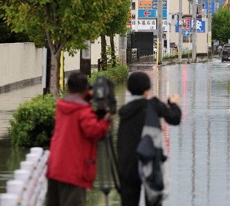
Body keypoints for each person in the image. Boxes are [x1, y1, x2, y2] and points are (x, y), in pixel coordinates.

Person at [46, 72, 112, 206]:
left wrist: (87, 96)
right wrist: (105, 121)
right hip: (74, 172)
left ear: (68, 87)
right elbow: (94, 130)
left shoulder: (62, 106)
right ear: (86, 89)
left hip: (55, 168)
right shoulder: (83, 110)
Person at [117, 72, 182, 206]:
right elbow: (174, 118)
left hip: (127, 166)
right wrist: (174, 104)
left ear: (129, 89)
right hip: (150, 164)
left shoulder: (124, 111)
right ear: (147, 89)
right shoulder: (153, 105)